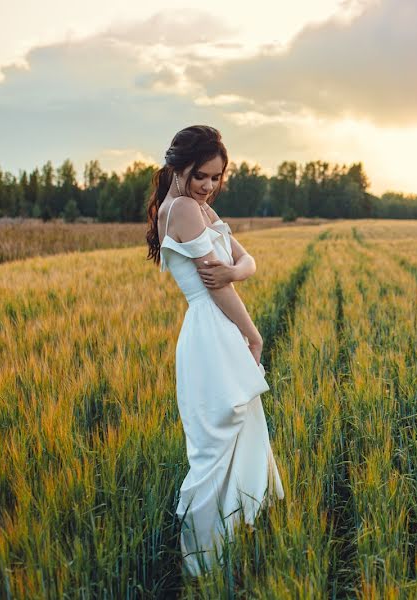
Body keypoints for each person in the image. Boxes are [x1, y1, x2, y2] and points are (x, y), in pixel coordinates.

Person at [145, 125, 284, 575]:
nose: (208, 185)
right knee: (214, 445)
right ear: (178, 168)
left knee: (228, 435)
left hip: (215, 331)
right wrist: (254, 333)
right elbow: (216, 286)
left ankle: (222, 552)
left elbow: (246, 263)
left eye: (216, 177)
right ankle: (202, 563)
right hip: (212, 331)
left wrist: (236, 272)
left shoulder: (199, 207)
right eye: (201, 175)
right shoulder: (183, 209)